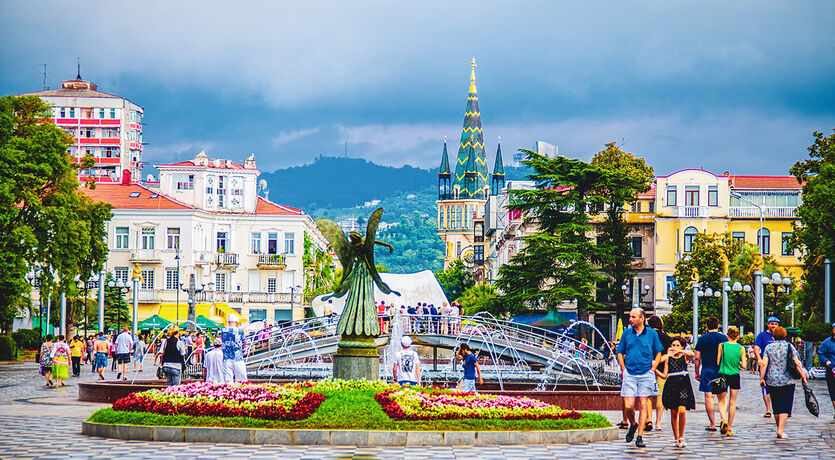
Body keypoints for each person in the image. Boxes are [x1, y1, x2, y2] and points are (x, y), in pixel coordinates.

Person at [616, 307, 664, 448]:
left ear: (641, 318)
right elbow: (620, 352)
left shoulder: (651, 334)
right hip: (630, 373)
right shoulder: (626, 334)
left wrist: (653, 368)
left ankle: (640, 436)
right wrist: (623, 369)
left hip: (646, 374)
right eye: (630, 317)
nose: (630, 319)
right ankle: (633, 424)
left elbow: (658, 352)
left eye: (633, 317)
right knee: (629, 406)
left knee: (643, 404)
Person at [760, 326, 808, 438]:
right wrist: (803, 377)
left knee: (776, 405)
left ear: (774, 335)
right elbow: (797, 363)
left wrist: (762, 378)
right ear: (785, 335)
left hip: (772, 379)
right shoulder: (790, 347)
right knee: (785, 405)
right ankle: (780, 430)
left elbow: (764, 363)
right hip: (787, 379)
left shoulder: (769, 347)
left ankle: (779, 428)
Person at [657, 336, 695, 448]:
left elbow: (693, 354)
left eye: (677, 345)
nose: (675, 347)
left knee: (682, 410)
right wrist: (655, 370)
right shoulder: (668, 358)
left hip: (683, 383)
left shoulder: (684, 357)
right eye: (673, 345)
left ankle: (682, 436)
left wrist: (680, 351)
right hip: (671, 384)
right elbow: (662, 371)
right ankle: (676, 438)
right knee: (673, 412)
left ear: (682, 346)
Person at [694, 316, 727, 432]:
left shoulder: (702, 339)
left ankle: (712, 424)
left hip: (707, 369)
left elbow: (697, 358)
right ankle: (723, 419)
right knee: (722, 397)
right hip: (721, 370)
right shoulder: (724, 338)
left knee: (709, 397)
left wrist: (697, 372)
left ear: (707, 326)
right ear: (718, 326)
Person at [716, 326, 745, 436]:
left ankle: (723, 418)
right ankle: (729, 428)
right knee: (732, 402)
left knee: (721, 400)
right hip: (735, 375)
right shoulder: (741, 348)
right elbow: (745, 365)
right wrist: (739, 363)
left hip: (723, 374)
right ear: (738, 336)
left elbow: (718, 361)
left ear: (727, 335)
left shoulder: (722, 345)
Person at [647, 315, 673, 433]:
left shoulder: (647, 336)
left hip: (648, 368)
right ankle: (658, 423)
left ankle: (648, 419)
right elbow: (670, 354)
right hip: (663, 369)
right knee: (659, 396)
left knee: (647, 395)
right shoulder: (667, 338)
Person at [753, 316, 780, 418]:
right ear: (768, 324)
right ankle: (768, 409)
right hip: (766, 365)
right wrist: (759, 359)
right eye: (772, 324)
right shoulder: (762, 335)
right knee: (765, 386)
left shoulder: (780, 335)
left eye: (775, 324)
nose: (773, 326)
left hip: (778, 366)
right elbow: (756, 347)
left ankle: (779, 409)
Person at [816, 322, 835, 419]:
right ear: (833, 330)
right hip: (832, 370)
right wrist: (826, 361)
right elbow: (821, 353)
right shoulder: (827, 342)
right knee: (833, 391)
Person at [221, 314, 247, 382]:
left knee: (228, 379)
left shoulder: (222, 330)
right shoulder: (240, 331)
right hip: (238, 357)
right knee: (241, 379)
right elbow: (244, 342)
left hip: (226, 358)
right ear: (236, 322)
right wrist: (244, 350)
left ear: (228, 322)